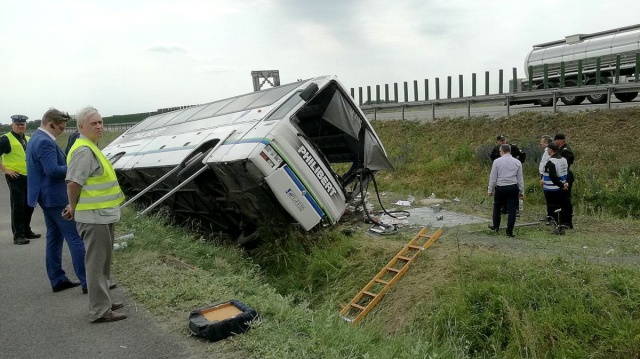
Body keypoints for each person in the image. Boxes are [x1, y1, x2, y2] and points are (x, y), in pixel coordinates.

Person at [64, 106, 126, 323]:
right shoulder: (84, 150)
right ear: (81, 127)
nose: (100, 126)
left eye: (101, 122)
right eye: (94, 123)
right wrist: (72, 207)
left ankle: (104, 301)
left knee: (104, 262)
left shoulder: (91, 147)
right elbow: (73, 183)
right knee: (96, 264)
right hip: (93, 216)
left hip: (102, 214)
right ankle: (99, 310)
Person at [26, 108, 87, 293]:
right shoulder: (44, 141)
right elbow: (52, 170)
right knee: (75, 238)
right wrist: (75, 167)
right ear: (51, 124)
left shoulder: (35, 138)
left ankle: (57, 279)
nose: (62, 131)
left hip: (45, 198)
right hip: (56, 197)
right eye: (61, 128)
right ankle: (88, 282)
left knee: (54, 238)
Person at [0, 115, 40, 245]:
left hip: (29, 176)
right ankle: (18, 235)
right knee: (18, 206)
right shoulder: (6, 139)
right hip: (15, 177)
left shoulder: (28, 139)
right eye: (17, 124)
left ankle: (27, 230)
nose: (20, 126)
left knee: (29, 205)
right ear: (12, 125)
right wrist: (6, 170)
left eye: (22, 124)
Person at [487, 144, 524, 237]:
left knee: (497, 207)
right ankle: (509, 230)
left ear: (502, 151)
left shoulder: (497, 162)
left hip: (501, 187)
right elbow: (520, 178)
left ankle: (496, 227)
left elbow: (493, 177)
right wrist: (521, 191)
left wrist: (490, 189)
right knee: (512, 210)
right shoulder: (517, 162)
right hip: (513, 187)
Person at [543, 143, 570, 227]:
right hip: (562, 186)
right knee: (559, 206)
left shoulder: (551, 162)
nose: (547, 151)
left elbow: (553, 177)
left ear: (551, 150)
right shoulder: (563, 159)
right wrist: (564, 184)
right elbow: (566, 172)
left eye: (547, 149)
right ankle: (561, 222)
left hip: (551, 188)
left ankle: (555, 223)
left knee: (552, 206)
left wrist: (561, 185)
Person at [554, 133, 574, 228]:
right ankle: (562, 219)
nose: (555, 142)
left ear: (560, 141)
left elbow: (568, 161)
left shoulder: (565, 150)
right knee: (561, 199)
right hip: (562, 175)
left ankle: (567, 221)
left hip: (566, 176)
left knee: (565, 198)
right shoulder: (560, 150)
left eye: (556, 140)